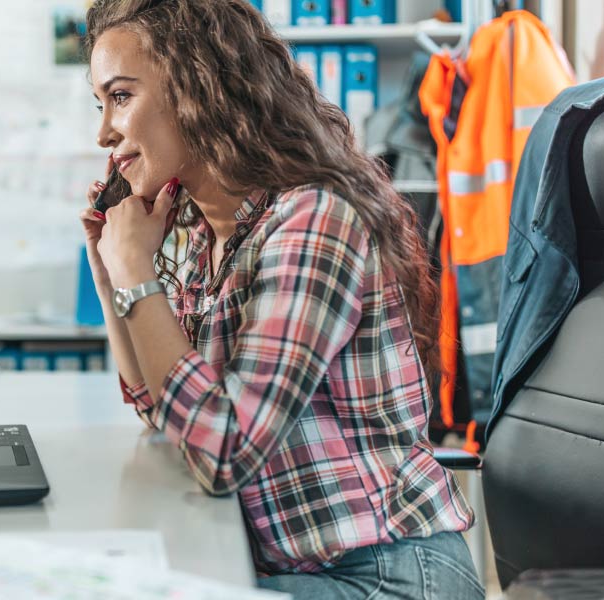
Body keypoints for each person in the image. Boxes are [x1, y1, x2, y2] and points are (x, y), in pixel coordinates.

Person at [77, 1, 484, 598]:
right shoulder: (200, 230)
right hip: (286, 568)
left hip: (389, 575)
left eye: (121, 97)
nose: (104, 133)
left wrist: (138, 271)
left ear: (198, 84)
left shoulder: (314, 220)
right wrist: (109, 267)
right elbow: (157, 407)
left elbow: (223, 454)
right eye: (101, 103)